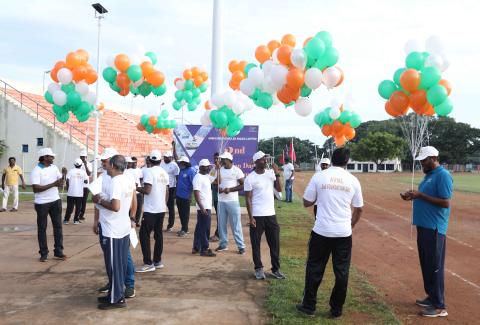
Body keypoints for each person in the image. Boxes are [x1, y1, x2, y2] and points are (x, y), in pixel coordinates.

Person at [297, 147, 363, 318]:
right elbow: (359, 208)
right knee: (341, 272)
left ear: (331, 159)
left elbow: (306, 203)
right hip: (343, 233)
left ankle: (309, 306)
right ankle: (336, 309)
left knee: (314, 268)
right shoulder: (353, 180)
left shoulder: (319, 176)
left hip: (321, 232)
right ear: (347, 162)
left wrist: (319, 195)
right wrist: (351, 225)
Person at [400, 146, 453, 318]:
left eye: (424, 159)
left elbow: (445, 202)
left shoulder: (443, 175)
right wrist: (412, 195)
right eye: (421, 160)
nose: (422, 162)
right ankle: (431, 297)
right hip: (424, 226)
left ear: (434, 157)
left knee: (435, 266)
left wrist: (420, 196)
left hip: (435, 228)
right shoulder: (428, 176)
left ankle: (439, 307)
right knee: (427, 264)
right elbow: (424, 196)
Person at [93, 154, 137, 310]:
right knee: (118, 264)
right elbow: (132, 201)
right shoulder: (127, 179)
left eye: (107, 163)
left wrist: (99, 200)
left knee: (114, 266)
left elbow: (115, 206)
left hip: (113, 229)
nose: (105, 166)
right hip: (121, 227)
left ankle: (116, 299)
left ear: (112, 165)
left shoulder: (116, 182)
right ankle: (114, 294)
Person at [244, 151, 285, 280]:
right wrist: (251, 218)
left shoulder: (270, 173)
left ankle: (276, 269)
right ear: (256, 162)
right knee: (256, 244)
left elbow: (279, 189)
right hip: (257, 216)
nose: (265, 160)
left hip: (271, 215)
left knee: (275, 243)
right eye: (262, 159)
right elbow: (248, 200)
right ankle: (258, 269)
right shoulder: (250, 178)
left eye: (265, 158)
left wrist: (277, 173)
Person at [31, 148, 67, 262]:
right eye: (51, 156)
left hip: (55, 201)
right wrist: (53, 184)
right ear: (45, 157)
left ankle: (58, 251)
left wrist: (64, 175)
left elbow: (61, 183)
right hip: (42, 203)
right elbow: (35, 189)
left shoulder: (54, 167)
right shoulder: (36, 170)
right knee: (42, 228)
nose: (53, 158)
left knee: (58, 226)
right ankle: (43, 253)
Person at [136, 150, 169, 273]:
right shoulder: (164, 173)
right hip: (161, 209)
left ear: (149, 160)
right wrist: (164, 204)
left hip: (151, 210)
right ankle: (157, 261)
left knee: (144, 235)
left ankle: (148, 263)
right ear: (160, 160)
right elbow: (167, 191)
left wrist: (136, 188)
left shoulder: (149, 172)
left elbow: (148, 190)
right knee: (158, 235)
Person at [215, 152, 246, 254]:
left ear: (228, 160)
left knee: (235, 224)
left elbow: (242, 185)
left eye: (223, 159)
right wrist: (218, 187)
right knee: (221, 224)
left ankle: (241, 246)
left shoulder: (237, 170)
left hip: (233, 201)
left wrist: (230, 189)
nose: (221, 161)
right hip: (221, 201)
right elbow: (216, 181)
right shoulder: (219, 170)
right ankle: (223, 244)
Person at [192, 159, 216, 257]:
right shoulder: (198, 177)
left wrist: (216, 167)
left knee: (199, 228)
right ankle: (204, 249)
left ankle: (196, 247)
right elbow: (196, 193)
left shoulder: (206, 176)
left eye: (209, 166)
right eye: (207, 166)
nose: (209, 168)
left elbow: (213, 176)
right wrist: (202, 207)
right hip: (203, 207)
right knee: (205, 228)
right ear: (201, 167)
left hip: (206, 206)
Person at [175, 156, 196, 237]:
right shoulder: (181, 170)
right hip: (179, 195)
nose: (179, 163)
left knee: (185, 214)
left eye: (181, 162)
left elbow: (193, 184)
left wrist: (190, 195)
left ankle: (185, 229)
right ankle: (183, 228)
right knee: (180, 213)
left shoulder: (191, 171)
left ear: (185, 163)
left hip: (186, 196)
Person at [63, 159, 89, 225]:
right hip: (79, 193)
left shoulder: (71, 171)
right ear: (81, 165)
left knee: (69, 207)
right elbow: (86, 181)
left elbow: (67, 180)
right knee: (78, 207)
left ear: (74, 164)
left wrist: (68, 187)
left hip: (71, 192)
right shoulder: (83, 172)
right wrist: (81, 180)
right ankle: (76, 220)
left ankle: (66, 220)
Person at [161, 151, 180, 232]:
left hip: (171, 188)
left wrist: (176, 190)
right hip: (162, 187)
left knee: (170, 207)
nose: (165, 158)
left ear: (170, 157)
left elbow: (177, 178)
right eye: (164, 157)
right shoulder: (161, 164)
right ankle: (159, 224)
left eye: (167, 157)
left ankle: (170, 225)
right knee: (161, 206)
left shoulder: (174, 165)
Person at [209, 152, 220, 242]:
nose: (216, 160)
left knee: (220, 216)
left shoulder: (223, 169)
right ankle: (219, 234)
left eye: (218, 158)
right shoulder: (213, 169)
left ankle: (218, 235)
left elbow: (219, 181)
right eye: (215, 158)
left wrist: (215, 181)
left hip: (222, 198)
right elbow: (210, 180)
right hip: (216, 197)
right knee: (218, 216)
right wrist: (215, 181)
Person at [78, 149, 92, 221]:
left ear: (86, 157)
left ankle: (81, 215)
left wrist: (86, 165)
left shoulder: (89, 164)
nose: (82, 158)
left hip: (86, 186)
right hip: (79, 185)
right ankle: (77, 214)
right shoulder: (78, 163)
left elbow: (89, 173)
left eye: (84, 157)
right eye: (81, 157)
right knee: (78, 201)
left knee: (84, 201)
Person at [131, 156, 143, 227]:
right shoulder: (128, 170)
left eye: (135, 162)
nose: (134, 164)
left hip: (138, 192)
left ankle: (137, 221)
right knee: (131, 207)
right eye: (133, 162)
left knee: (139, 208)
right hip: (131, 192)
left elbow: (141, 179)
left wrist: (140, 187)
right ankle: (131, 220)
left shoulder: (139, 170)